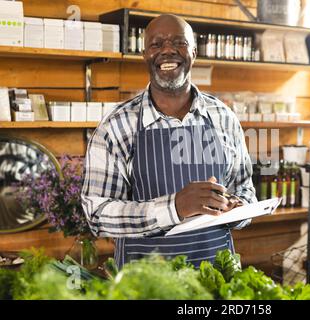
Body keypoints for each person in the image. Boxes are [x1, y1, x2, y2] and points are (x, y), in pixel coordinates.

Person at [81, 14, 256, 269]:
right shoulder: (117, 126)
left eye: (178, 42)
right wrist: (173, 207)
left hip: (218, 280)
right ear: (145, 55)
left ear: (193, 52)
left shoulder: (223, 117)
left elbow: (244, 188)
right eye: (156, 44)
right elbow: (97, 213)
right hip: (145, 285)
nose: (167, 50)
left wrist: (237, 209)